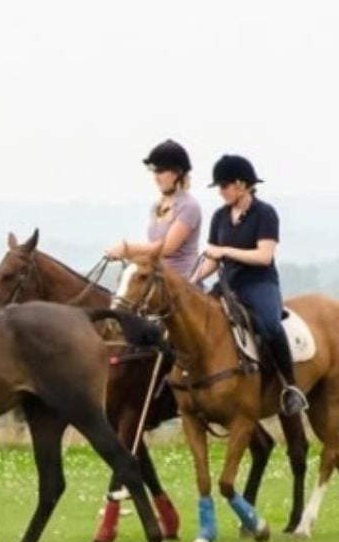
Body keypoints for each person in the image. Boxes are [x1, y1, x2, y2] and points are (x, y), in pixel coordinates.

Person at [190, 154, 308, 416]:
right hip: (228, 285)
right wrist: (192, 280)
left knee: (269, 324)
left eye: (223, 186)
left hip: (259, 283)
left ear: (241, 185)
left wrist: (225, 251)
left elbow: (264, 255)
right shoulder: (220, 216)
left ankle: (290, 388)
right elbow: (212, 258)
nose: (220, 192)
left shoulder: (265, 213)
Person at [105, 139, 202, 277]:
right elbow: (152, 250)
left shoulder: (189, 207)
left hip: (181, 283)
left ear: (177, 173)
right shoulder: (156, 206)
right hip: (157, 279)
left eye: (160, 171)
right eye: (154, 171)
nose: (156, 178)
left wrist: (127, 249)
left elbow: (166, 248)